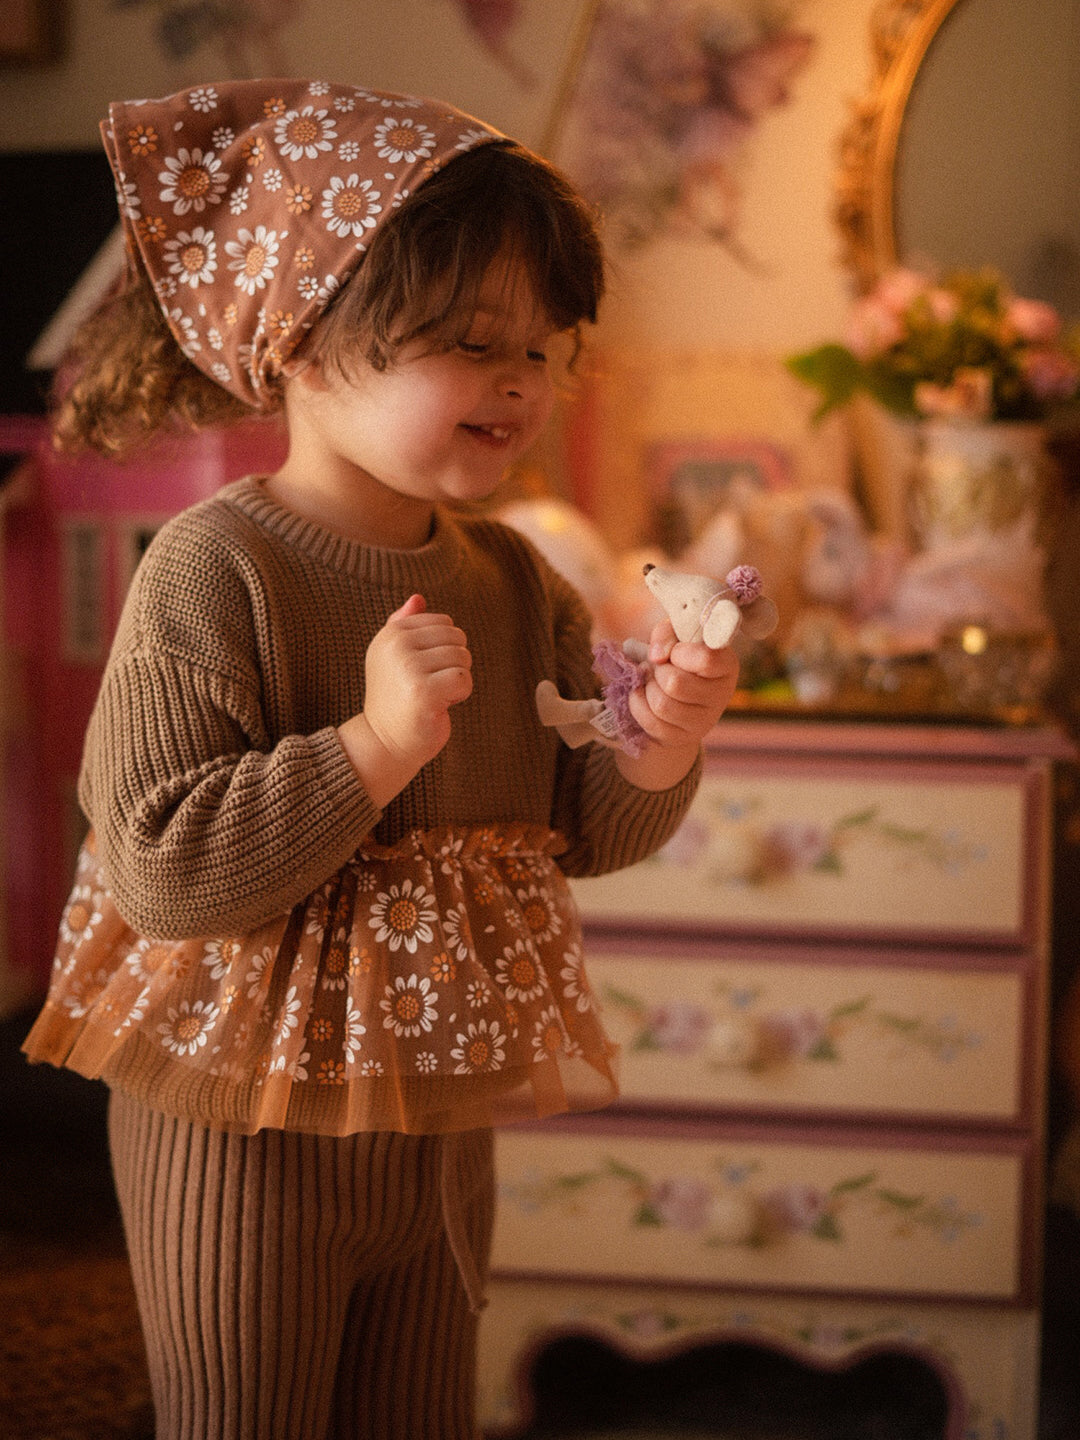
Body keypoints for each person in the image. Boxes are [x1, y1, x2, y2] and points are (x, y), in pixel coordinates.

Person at [23, 78, 739, 1440]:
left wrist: (664, 733)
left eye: (544, 347)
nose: (522, 381)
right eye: (472, 343)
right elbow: (164, 869)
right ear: (300, 339)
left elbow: (584, 827)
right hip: (243, 1133)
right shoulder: (214, 568)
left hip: (435, 1113)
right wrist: (370, 746)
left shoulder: (513, 578)